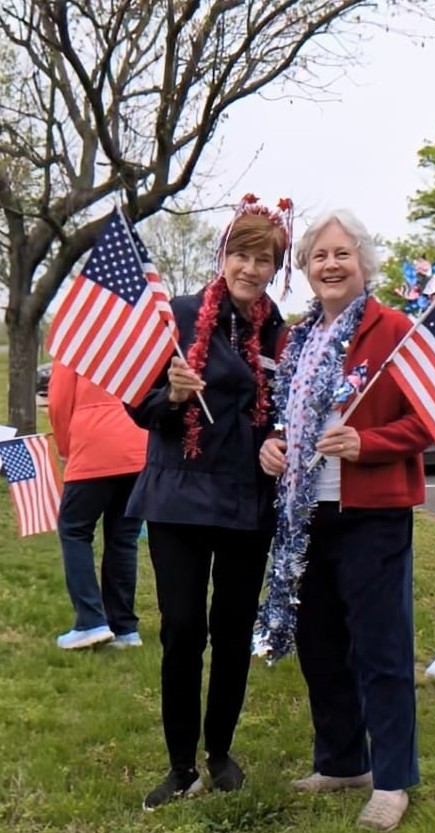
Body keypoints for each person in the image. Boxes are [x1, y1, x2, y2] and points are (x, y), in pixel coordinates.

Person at [257, 209, 434, 832]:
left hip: (372, 514)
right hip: (305, 515)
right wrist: (273, 445)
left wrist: (368, 443)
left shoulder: (396, 331)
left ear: (364, 262)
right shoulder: (296, 340)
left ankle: (392, 779)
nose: (330, 265)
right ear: (306, 269)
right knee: (321, 644)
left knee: (381, 649)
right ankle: (341, 761)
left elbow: (428, 420)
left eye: (341, 254)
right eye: (319, 256)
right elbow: (286, 417)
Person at [125, 194, 292, 811]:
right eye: (242, 255)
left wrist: (277, 440)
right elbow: (137, 405)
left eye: (264, 259)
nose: (251, 268)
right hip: (179, 497)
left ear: (275, 268)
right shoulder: (179, 316)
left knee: (232, 629)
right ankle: (180, 766)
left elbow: (284, 411)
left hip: (247, 502)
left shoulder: (279, 332)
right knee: (183, 630)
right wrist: (171, 396)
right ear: (224, 256)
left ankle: (219, 752)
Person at [48, 360, 148, 650]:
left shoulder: (75, 342)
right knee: (124, 538)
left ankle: (90, 621)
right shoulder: (136, 338)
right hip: (138, 443)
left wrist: (65, 448)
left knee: (74, 529)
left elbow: (59, 401)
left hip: (93, 443)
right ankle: (125, 628)